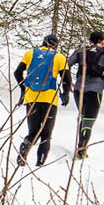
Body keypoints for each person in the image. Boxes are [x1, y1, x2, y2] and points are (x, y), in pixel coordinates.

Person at [13, 34, 69, 167]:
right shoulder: (59, 57)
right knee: (46, 134)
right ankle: (40, 164)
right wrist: (65, 95)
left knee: (33, 132)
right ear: (56, 45)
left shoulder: (30, 53)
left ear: (43, 42)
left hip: (31, 98)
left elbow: (17, 73)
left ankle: (24, 150)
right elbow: (67, 79)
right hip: (50, 100)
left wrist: (24, 88)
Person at [65, 31, 104, 159]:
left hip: (78, 91)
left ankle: (81, 149)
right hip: (95, 92)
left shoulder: (81, 51)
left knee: (83, 118)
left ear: (90, 41)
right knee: (88, 122)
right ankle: (81, 152)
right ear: (102, 42)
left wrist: (68, 82)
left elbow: (66, 66)